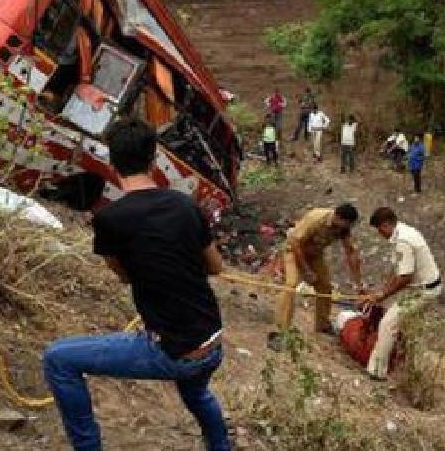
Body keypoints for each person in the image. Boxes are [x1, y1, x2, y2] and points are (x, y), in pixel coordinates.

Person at [43, 118, 230, 451]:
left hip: (172, 351)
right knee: (197, 392)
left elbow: (124, 275)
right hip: (212, 342)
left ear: (112, 162)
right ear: (154, 157)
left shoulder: (109, 220)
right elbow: (215, 266)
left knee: (58, 358)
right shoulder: (186, 206)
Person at [360, 207, 441, 381]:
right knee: (398, 319)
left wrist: (380, 295)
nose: (380, 234)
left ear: (387, 224)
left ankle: (376, 372)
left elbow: (404, 277)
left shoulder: (403, 241)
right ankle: (405, 365)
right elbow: (397, 272)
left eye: (380, 229)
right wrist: (380, 294)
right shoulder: (401, 233)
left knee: (388, 324)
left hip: (423, 290)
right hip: (418, 286)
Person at [272, 204, 363, 341]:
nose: (345, 228)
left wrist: (358, 284)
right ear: (338, 217)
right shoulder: (316, 218)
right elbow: (295, 242)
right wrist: (306, 271)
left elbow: (351, 252)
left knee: (325, 286)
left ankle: (322, 325)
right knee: (291, 285)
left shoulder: (343, 228)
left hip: (315, 254)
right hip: (294, 251)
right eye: (345, 224)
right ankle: (282, 327)